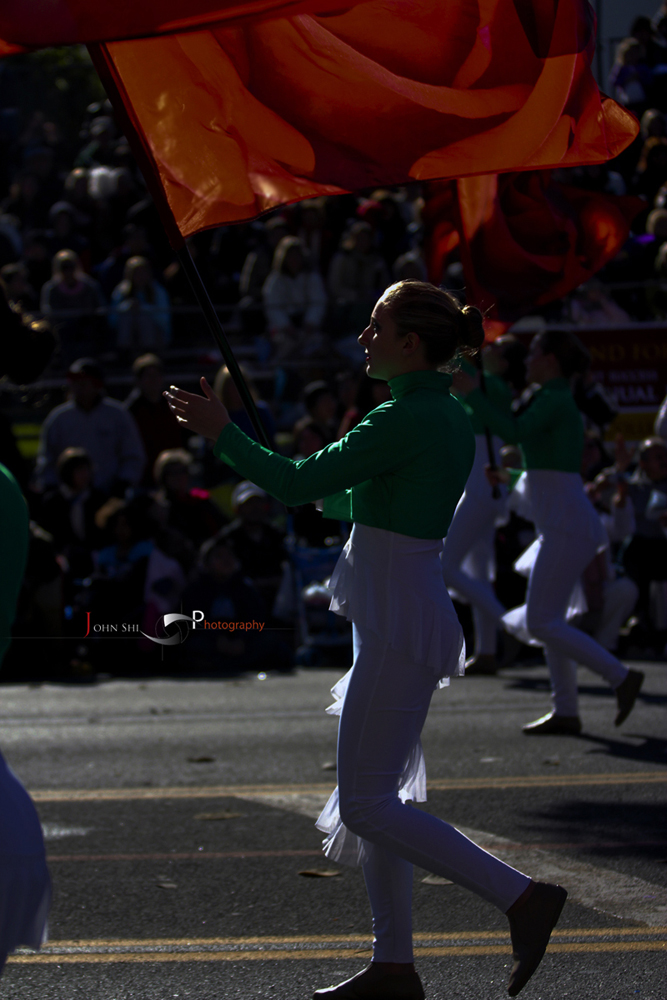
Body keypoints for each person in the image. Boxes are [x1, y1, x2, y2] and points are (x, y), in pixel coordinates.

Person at [165, 280, 568, 1000]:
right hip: (397, 610)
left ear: (410, 343)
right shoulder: (438, 413)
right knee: (383, 800)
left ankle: (521, 898)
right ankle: (392, 966)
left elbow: (292, 487)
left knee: (366, 805)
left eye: (376, 325)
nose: (364, 337)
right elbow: (363, 496)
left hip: (393, 617)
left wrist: (222, 433)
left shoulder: (399, 417)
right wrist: (320, 483)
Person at [455, 329, 644, 735]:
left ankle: (620, 677)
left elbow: (512, 432)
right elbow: (547, 472)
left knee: (541, 621)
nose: (527, 361)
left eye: (535, 353)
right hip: (562, 523)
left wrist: (473, 393)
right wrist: (510, 474)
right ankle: (567, 711)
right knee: (550, 620)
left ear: (552, 361)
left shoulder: (555, 400)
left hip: (565, 526)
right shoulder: (552, 398)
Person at [443, 337, 525, 674]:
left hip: (481, 487)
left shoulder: (493, 387)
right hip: (475, 485)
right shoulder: (480, 385)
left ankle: (510, 625)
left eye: (496, 350)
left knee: (445, 566)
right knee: (479, 571)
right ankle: (487, 650)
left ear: (504, 364)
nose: (486, 349)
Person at [35, 357, 146, 495]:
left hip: (110, 493)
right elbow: (46, 458)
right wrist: (51, 486)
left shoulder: (117, 415)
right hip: (69, 497)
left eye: (83, 382)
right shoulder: (59, 418)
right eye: (74, 382)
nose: (77, 387)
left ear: (97, 385)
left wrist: (123, 482)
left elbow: (133, 455)